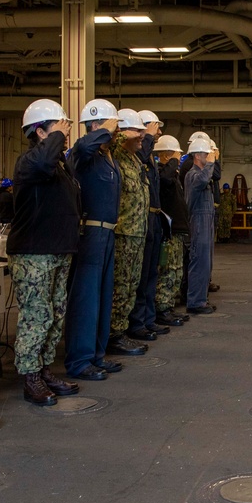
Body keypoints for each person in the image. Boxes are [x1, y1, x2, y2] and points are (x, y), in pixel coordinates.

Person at [8, 99, 81, 407]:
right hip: (34, 252)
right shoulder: (30, 163)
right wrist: (55, 137)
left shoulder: (58, 166)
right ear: (40, 132)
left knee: (55, 313)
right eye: (59, 128)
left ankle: (44, 368)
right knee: (37, 316)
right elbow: (42, 163)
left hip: (57, 250)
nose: (65, 134)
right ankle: (31, 377)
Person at [65, 98, 130, 381]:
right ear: (95, 126)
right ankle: (79, 360)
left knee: (102, 295)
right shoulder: (84, 151)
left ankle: (96, 355)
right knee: (86, 298)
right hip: (90, 232)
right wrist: (105, 128)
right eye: (109, 126)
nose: (115, 132)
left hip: (107, 232)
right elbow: (85, 144)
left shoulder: (107, 156)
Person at [108, 108, 154, 348]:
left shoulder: (136, 160)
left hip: (137, 231)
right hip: (123, 233)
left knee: (131, 285)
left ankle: (121, 330)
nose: (142, 135)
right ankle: (113, 334)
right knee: (121, 286)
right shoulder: (115, 155)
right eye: (137, 130)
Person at [127, 109, 166, 343]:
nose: (158, 131)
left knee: (152, 272)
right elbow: (140, 157)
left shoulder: (150, 156)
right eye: (154, 127)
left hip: (153, 217)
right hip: (139, 220)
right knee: (140, 276)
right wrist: (148, 137)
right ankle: (137, 322)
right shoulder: (140, 153)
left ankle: (148, 318)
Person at [153, 135, 189, 327]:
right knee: (168, 271)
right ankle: (162, 308)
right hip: (169, 231)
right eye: (176, 155)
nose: (179, 159)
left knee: (176, 271)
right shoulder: (161, 173)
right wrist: (173, 159)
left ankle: (169, 306)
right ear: (166, 155)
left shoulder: (172, 175)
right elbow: (164, 179)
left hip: (178, 230)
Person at [184, 136, 218, 314]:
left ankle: (201, 299)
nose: (209, 157)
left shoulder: (201, 173)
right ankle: (195, 302)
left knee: (206, 262)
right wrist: (211, 164)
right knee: (199, 262)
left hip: (206, 219)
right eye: (206, 154)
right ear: (197, 155)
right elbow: (204, 180)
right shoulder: (193, 175)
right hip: (198, 221)